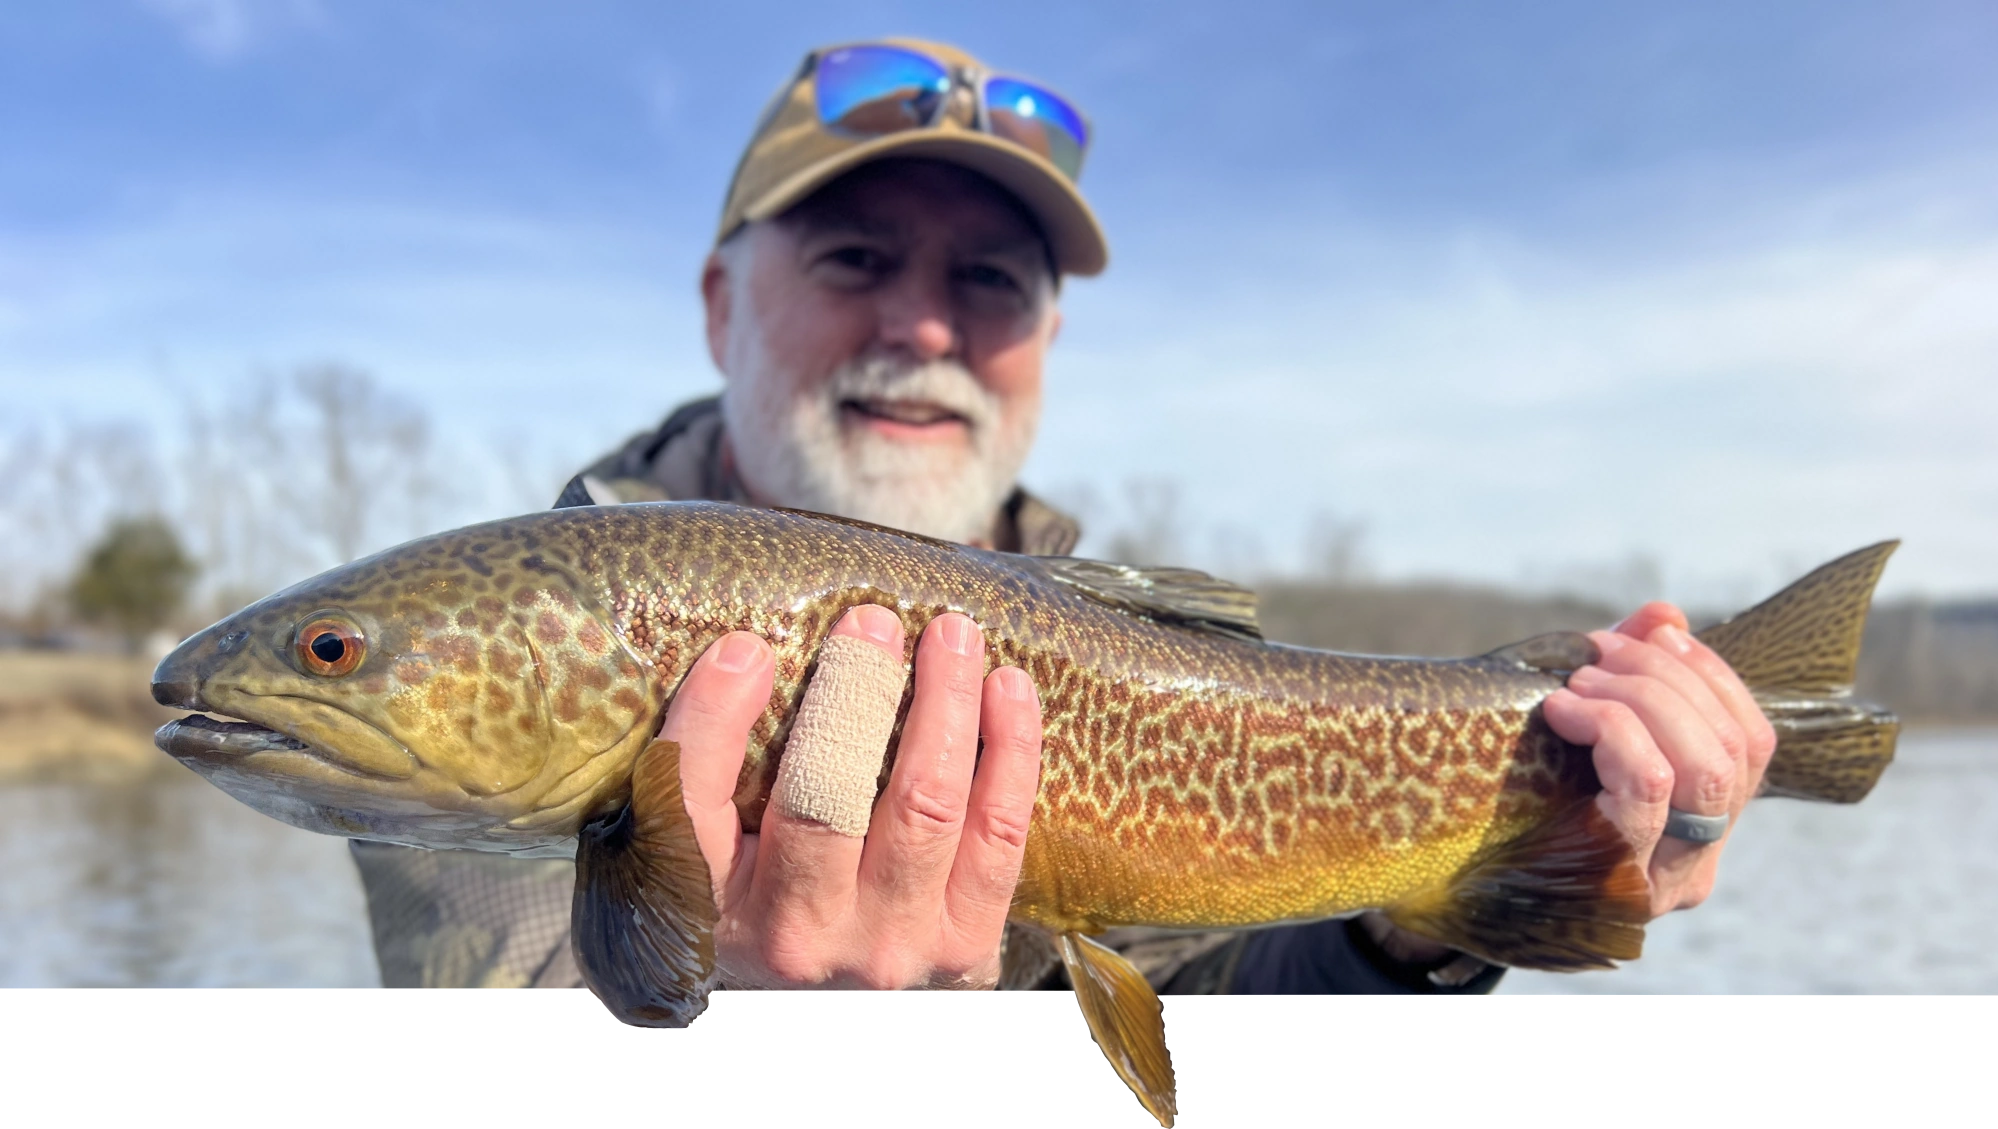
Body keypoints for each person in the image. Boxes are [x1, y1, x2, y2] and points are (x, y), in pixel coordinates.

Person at [349, 37, 1779, 1001]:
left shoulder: (1106, 641)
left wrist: (1431, 916)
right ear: (722, 304)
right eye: (855, 256)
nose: (922, 325)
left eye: (991, 284)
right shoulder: (516, 632)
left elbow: (1186, 1017)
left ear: (1042, 344)